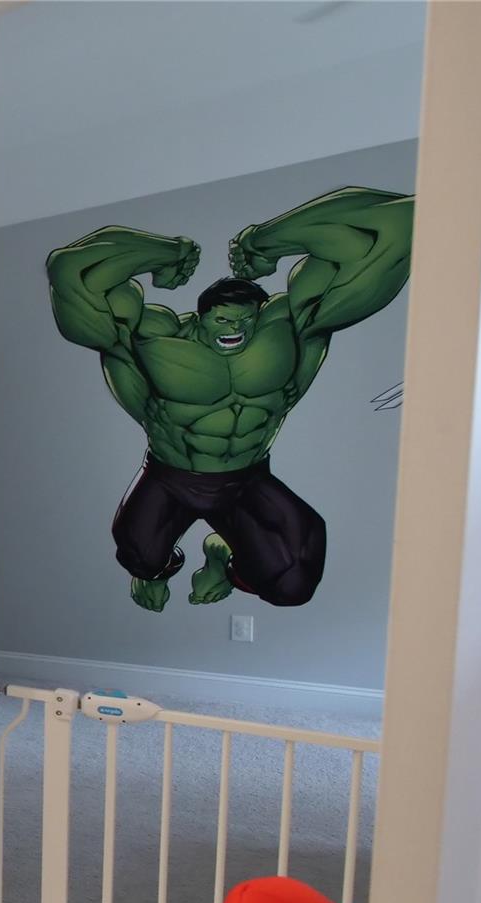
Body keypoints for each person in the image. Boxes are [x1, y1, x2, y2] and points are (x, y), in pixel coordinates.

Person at [45, 186, 413, 610]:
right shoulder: (155, 338)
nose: (233, 327)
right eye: (221, 319)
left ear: (260, 316)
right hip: (170, 474)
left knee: (294, 583)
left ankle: (221, 557)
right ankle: (157, 570)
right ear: (200, 319)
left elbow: (400, 224)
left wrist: (267, 240)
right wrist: (166, 253)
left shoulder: (291, 329)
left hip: (247, 477)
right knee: (139, 557)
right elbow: (70, 269)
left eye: (243, 319)